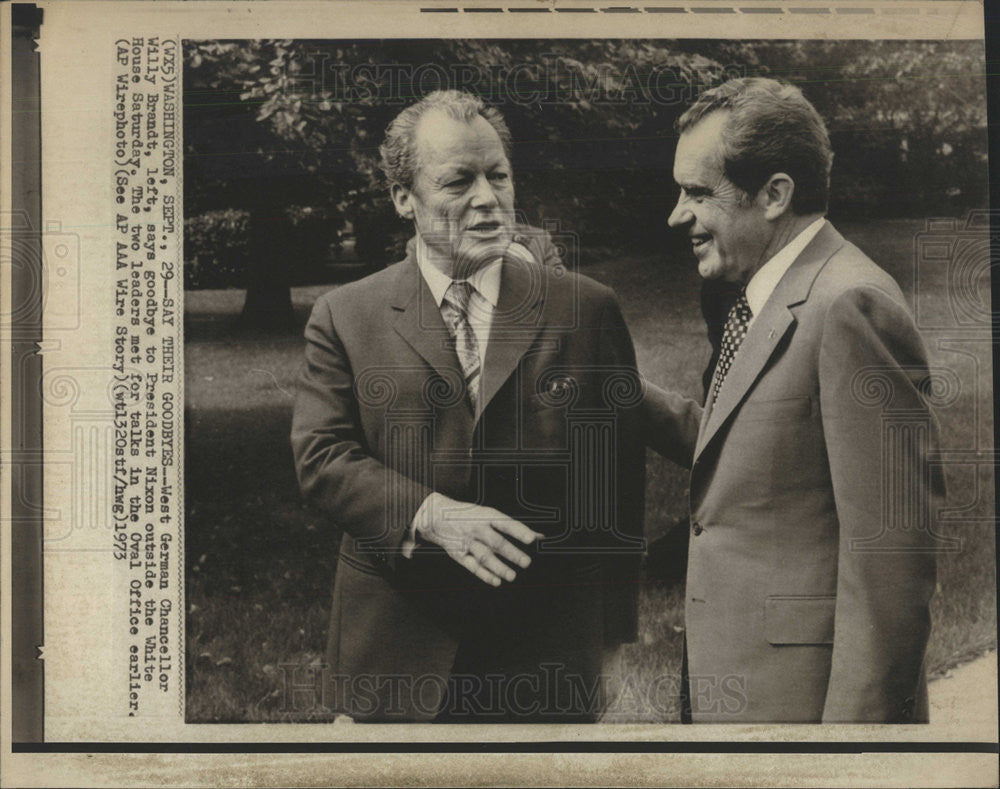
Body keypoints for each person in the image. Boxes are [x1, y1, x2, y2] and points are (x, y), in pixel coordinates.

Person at [291, 90, 646, 722]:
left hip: (545, 649)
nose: (488, 198)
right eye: (458, 180)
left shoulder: (584, 309)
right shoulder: (346, 315)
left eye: (499, 175)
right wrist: (428, 514)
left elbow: (614, 487)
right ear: (404, 198)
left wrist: (611, 642)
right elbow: (322, 457)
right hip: (394, 648)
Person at [643, 77, 943, 722]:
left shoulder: (850, 303)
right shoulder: (764, 293)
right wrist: (619, 390)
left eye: (698, 192)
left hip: (805, 712)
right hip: (740, 689)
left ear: (776, 194)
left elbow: (892, 555)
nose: (677, 214)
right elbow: (752, 448)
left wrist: (852, 754)